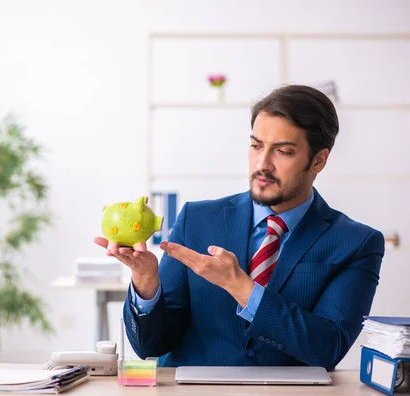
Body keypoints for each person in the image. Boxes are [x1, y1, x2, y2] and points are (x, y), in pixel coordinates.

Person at [94, 84, 385, 369]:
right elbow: (151, 346)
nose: (263, 163)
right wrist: (145, 281)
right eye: (256, 146)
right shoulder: (197, 219)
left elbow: (328, 347)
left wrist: (242, 287)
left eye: (282, 151)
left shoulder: (356, 242)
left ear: (318, 160)